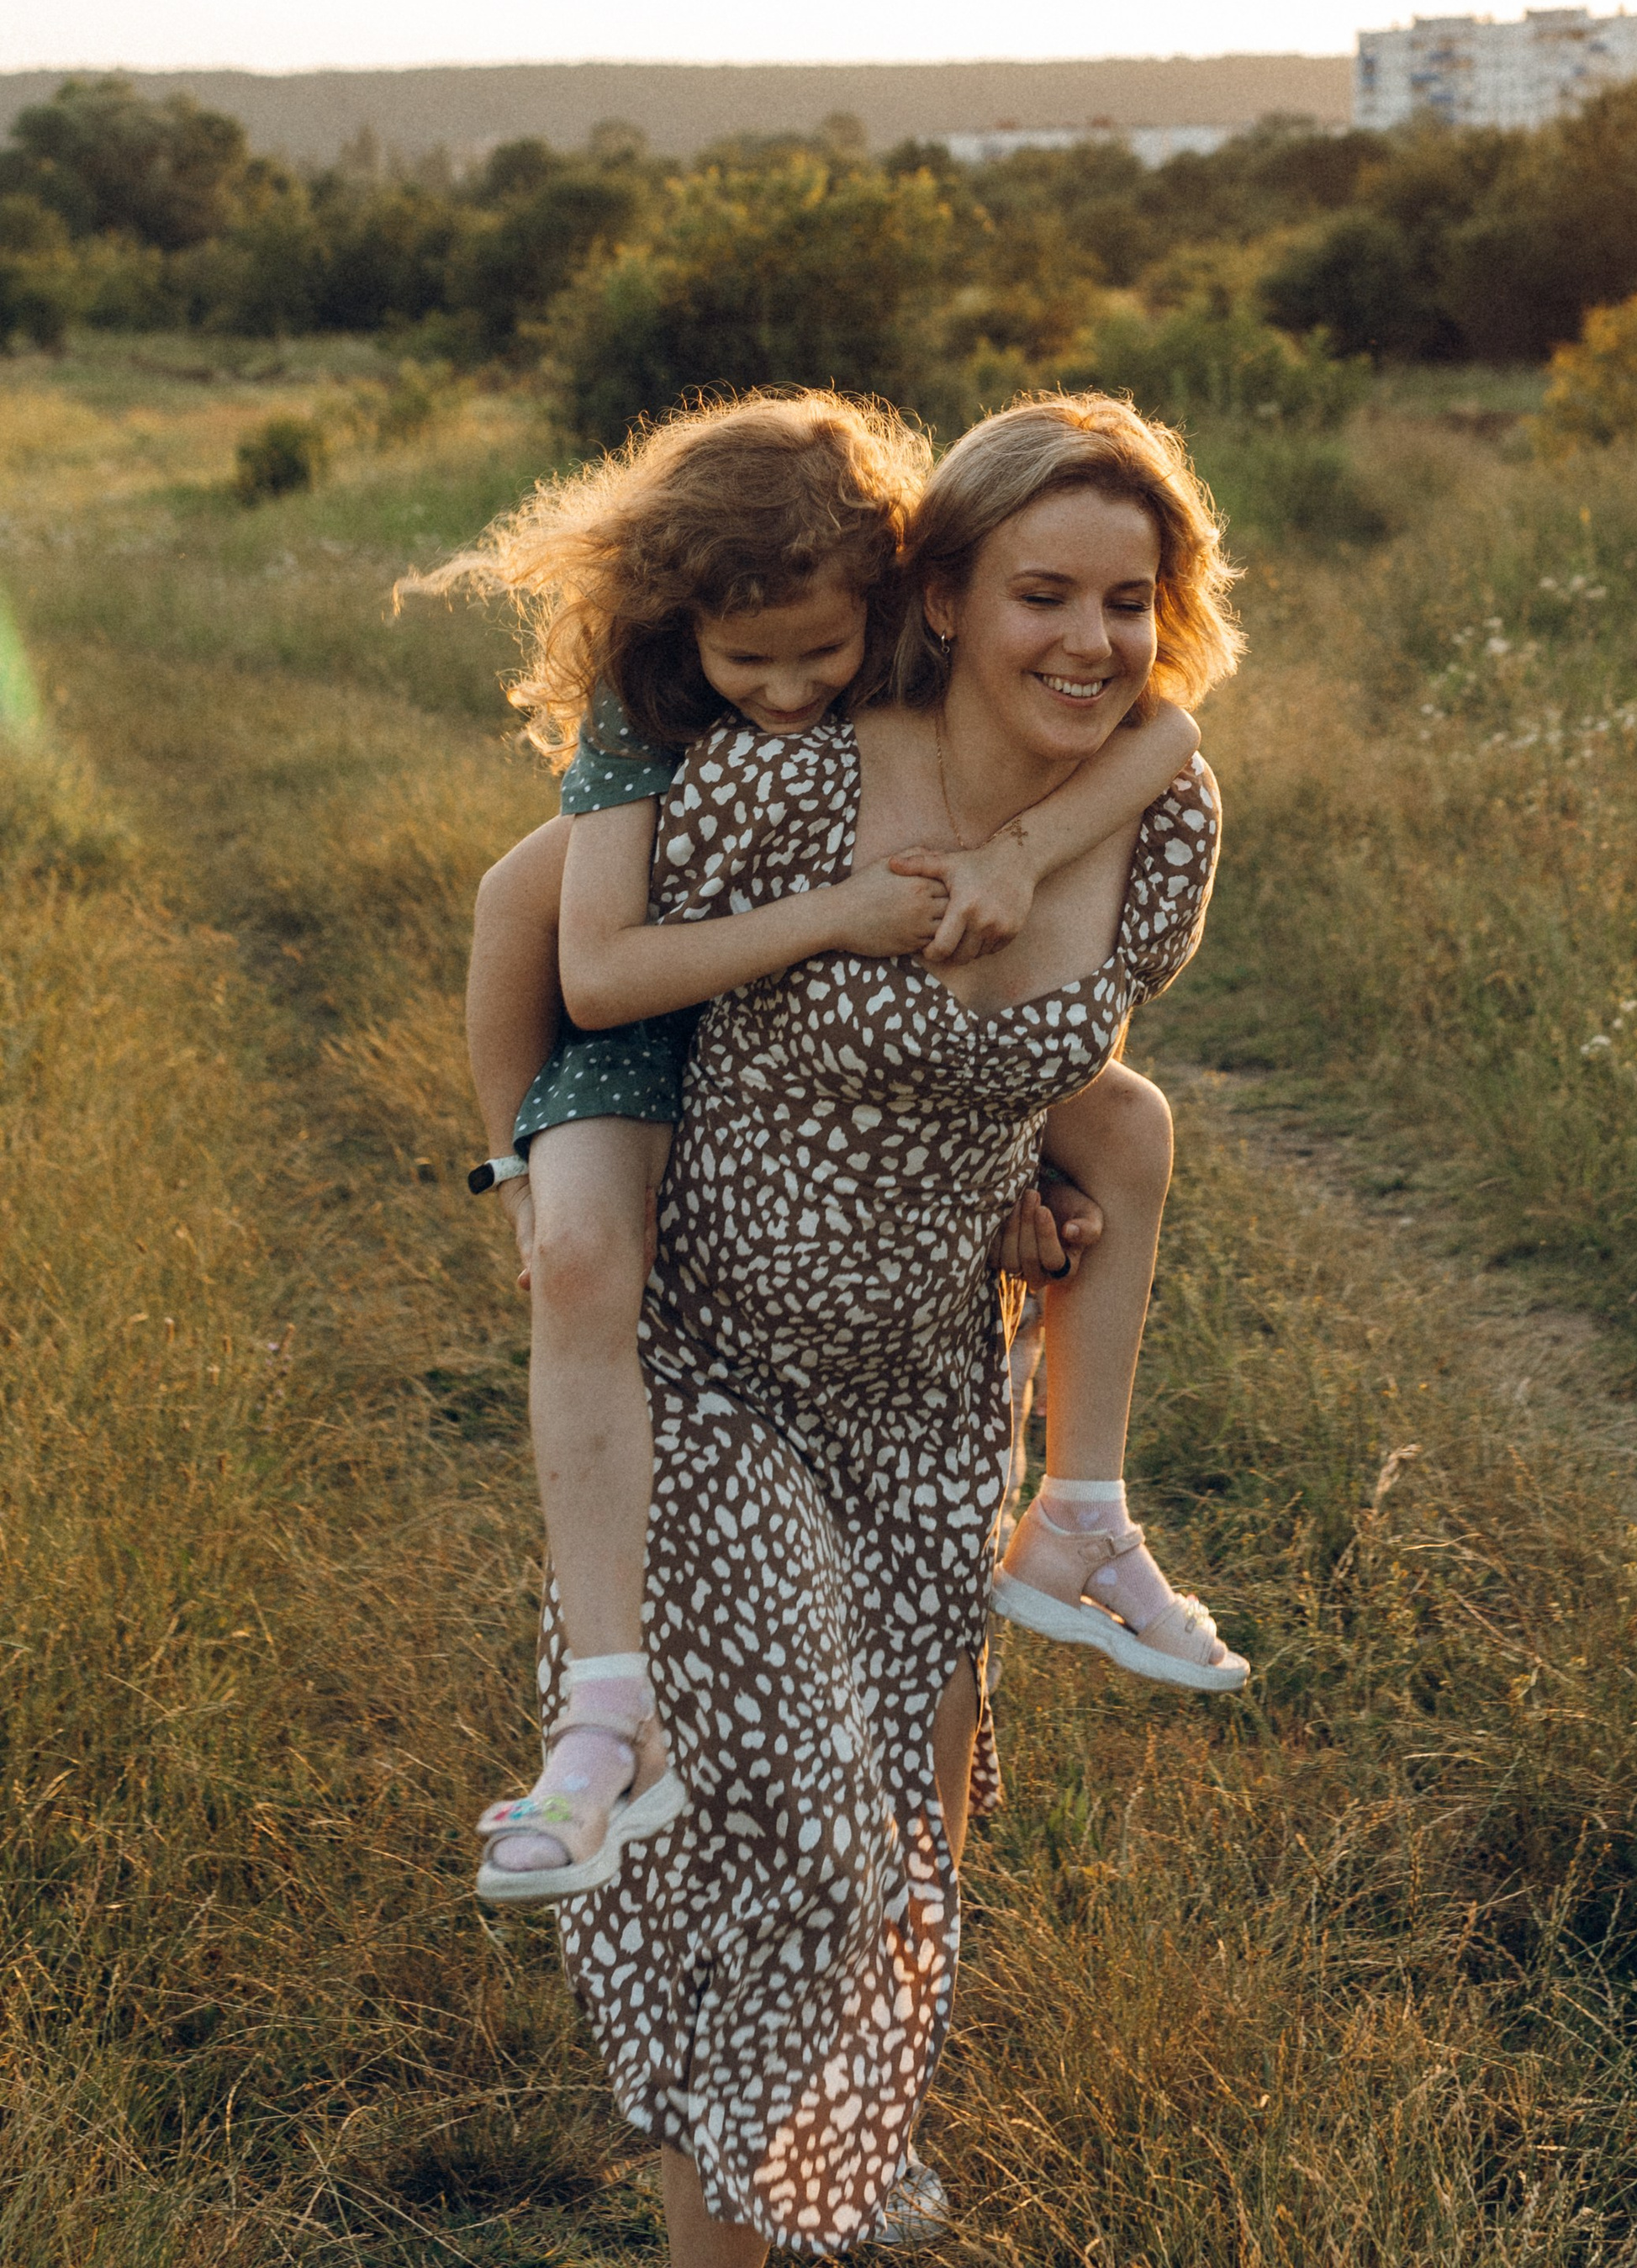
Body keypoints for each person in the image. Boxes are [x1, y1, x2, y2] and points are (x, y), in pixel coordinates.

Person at [551, 389, 1238, 2263]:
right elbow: (568, 950)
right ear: (939, 589)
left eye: (1128, 597)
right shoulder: (784, 785)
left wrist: (1022, 1176)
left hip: (935, 1398)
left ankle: (827, 2188)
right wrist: (542, 1189)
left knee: (901, 1857)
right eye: (1042, 593)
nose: (1088, 641)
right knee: (787, 1829)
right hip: (711, 1379)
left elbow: (1072, 1072)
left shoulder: (1157, 827)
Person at [405, 391, 1238, 1917]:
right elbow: (551, 940)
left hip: (894, 1298)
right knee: (585, 1262)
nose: (787, 688)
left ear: (875, 602)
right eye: (753, 661)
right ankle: (605, 1702)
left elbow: (1166, 727)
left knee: (1124, 1116)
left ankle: (1086, 1512)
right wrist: (517, 1163)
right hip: (633, 1037)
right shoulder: (670, 728)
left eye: (818, 651)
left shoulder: (1042, 749)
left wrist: (1007, 1176)